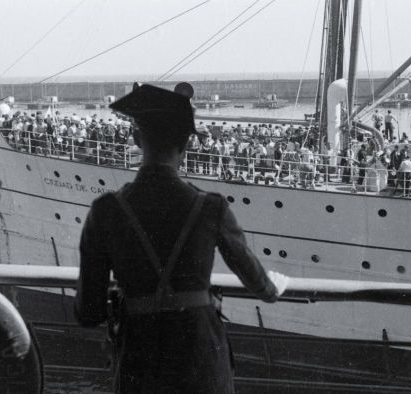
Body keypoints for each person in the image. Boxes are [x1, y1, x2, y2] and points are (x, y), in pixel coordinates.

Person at [75, 84, 288, 393]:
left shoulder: (105, 211)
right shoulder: (211, 207)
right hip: (201, 362)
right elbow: (256, 281)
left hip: (139, 361)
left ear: (137, 139)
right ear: (186, 144)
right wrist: (272, 288)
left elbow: (88, 312)